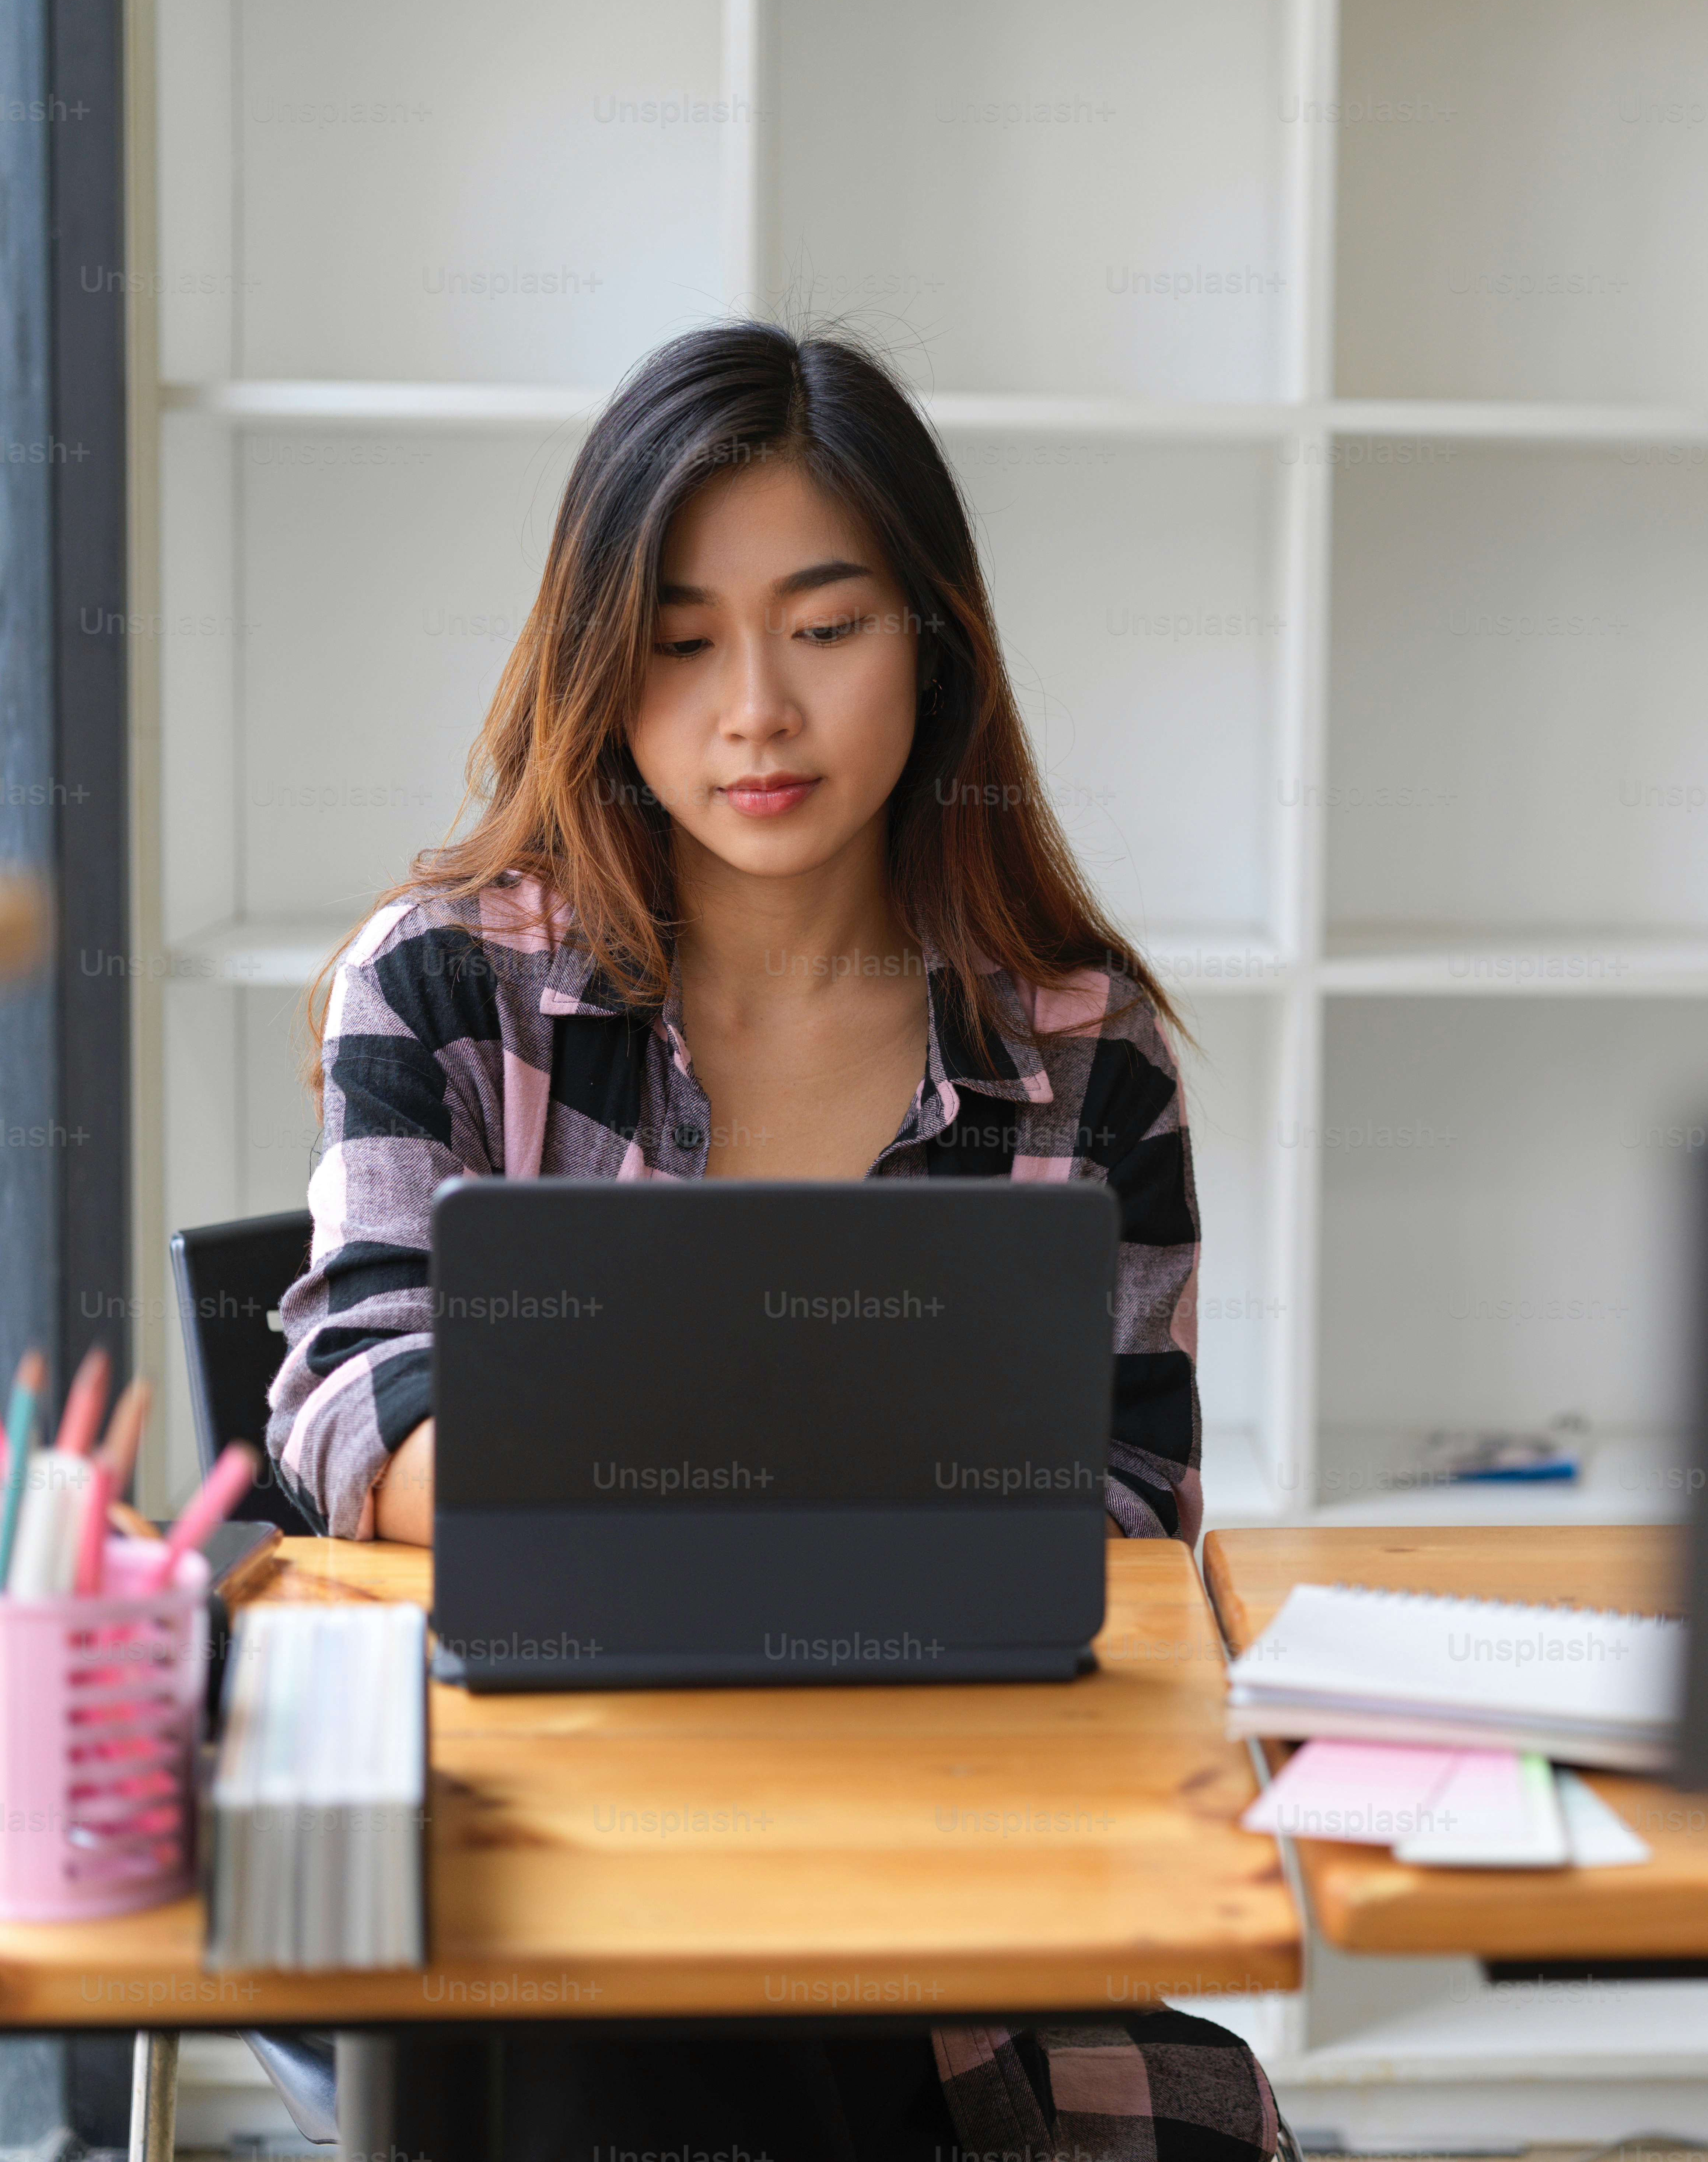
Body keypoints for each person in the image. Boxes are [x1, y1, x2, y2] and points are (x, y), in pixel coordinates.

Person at [267, 322, 1283, 2162]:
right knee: (635, 2016)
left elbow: (1129, 1511)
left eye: (826, 627)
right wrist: (839, 1518)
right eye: (680, 639)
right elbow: (357, 1404)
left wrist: (626, 1495)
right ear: (601, 656)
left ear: (934, 644)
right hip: (546, 1839)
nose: (756, 710)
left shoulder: (1079, 1051)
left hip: (948, 1842)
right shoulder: (441, 980)